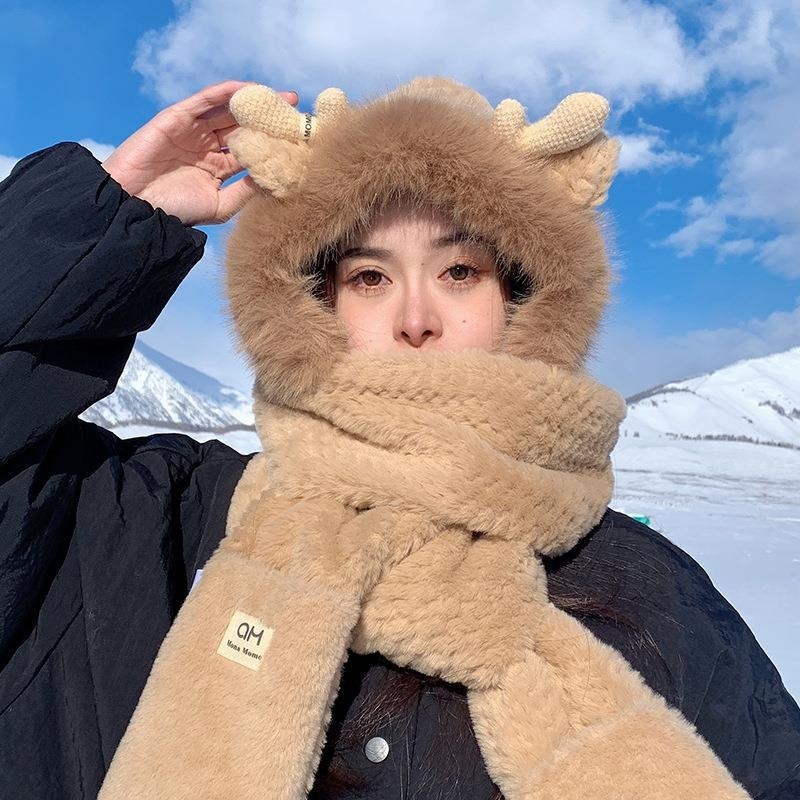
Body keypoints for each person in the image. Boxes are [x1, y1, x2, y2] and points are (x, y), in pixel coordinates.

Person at [0, 78, 798, 800]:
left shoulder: (648, 590)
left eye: (460, 272)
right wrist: (100, 224)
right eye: (370, 277)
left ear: (523, 302)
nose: (416, 319)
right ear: (315, 308)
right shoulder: (173, 520)